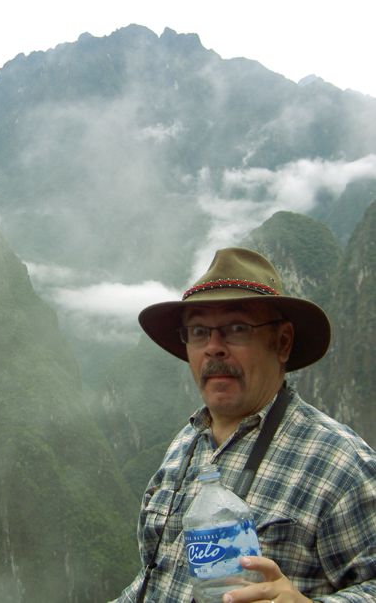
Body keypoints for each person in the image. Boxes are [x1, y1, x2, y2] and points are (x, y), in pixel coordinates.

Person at [112, 247, 376, 603]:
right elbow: (155, 578)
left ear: (281, 342)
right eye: (199, 331)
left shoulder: (339, 463)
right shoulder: (185, 447)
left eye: (237, 329)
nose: (214, 348)